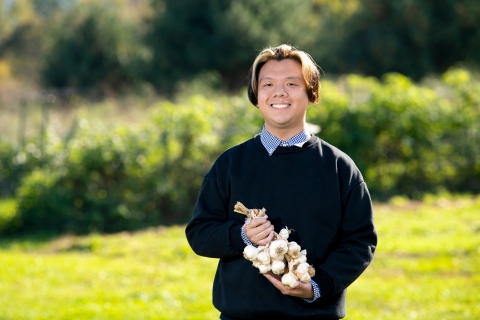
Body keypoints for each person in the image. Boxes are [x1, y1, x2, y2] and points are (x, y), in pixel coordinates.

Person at [185, 44, 377, 320]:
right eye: (268, 84)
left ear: (311, 94)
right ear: (256, 95)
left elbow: (360, 241)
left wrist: (316, 286)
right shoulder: (230, 165)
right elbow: (199, 233)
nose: (279, 92)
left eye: (291, 83)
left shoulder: (339, 167)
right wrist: (242, 236)